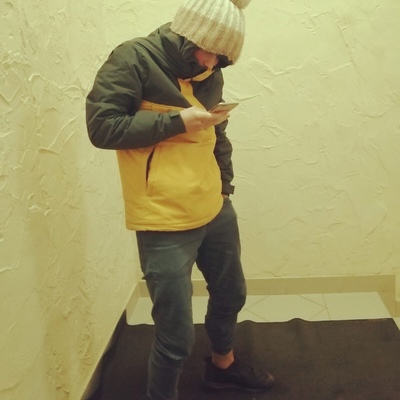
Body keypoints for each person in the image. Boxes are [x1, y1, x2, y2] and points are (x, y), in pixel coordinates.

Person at [86, 0, 274, 399]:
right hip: (162, 219)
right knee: (175, 336)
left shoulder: (209, 72)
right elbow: (102, 127)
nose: (213, 63)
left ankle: (222, 368)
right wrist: (176, 121)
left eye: (223, 58)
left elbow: (216, 133)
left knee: (231, 293)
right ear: (189, 35)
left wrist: (225, 185)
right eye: (211, 52)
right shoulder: (133, 59)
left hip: (214, 206)